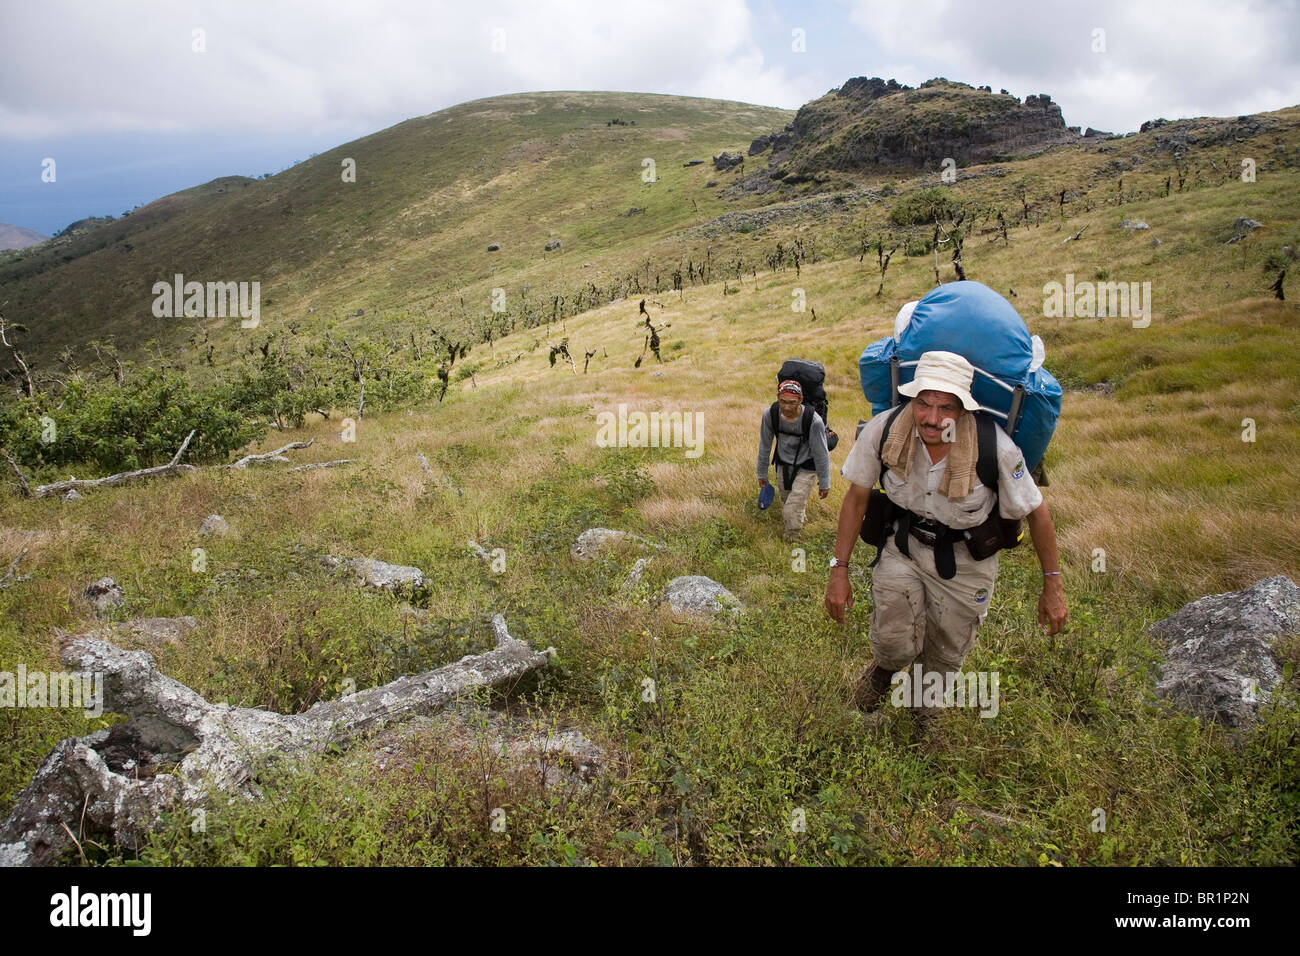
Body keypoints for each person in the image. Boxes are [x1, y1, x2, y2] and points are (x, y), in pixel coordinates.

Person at [824, 350, 1068, 721]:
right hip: (902, 550)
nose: (932, 418)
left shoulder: (995, 447)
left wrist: (1053, 585)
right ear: (912, 399)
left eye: (945, 408)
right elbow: (856, 499)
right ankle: (884, 671)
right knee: (892, 640)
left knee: (944, 654)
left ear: (964, 410)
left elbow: (1038, 512)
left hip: (967, 564)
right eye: (923, 403)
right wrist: (838, 570)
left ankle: (923, 718)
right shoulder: (886, 431)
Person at [757, 380, 831, 541]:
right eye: (782, 401)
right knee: (787, 500)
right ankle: (799, 520)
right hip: (783, 463)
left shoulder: (813, 421)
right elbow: (765, 445)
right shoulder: (770, 414)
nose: (786, 407)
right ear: (778, 397)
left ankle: (792, 539)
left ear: (800, 400)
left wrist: (824, 482)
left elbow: (821, 454)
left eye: (792, 402)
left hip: (807, 465)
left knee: (791, 508)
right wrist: (762, 473)